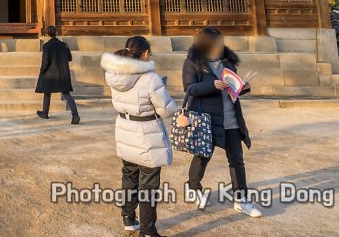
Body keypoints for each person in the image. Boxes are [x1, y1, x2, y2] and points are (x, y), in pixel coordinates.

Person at [182, 26, 261, 218]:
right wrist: (212, 85)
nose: (220, 46)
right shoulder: (193, 62)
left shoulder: (228, 62)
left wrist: (243, 88)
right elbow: (189, 88)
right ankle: (193, 188)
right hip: (207, 119)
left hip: (231, 118)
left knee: (237, 160)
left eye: (221, 42)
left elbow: (232, 89)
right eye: (216, 43)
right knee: (203, 156)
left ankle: (241, 200)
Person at [101, 36, 176, 237]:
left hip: (125, 129)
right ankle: (148, 231)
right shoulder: (150, 78)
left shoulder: (116, 74)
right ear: (144, 54)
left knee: (129, 174)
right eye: (149, 53)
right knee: (149, 185)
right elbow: (166, 110)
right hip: (147, 133)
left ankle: (128, 217)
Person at [35, 25, 80, 124]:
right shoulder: (64, 45)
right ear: (56, 33)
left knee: (47, 92)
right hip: (62, 72)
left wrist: (42, 71)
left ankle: (45, 113)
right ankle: (75, 115)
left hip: (50, 73)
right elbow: (69, 58)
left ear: (47, 34)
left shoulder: (46, 46)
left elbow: (45, 61)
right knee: (66, 94)